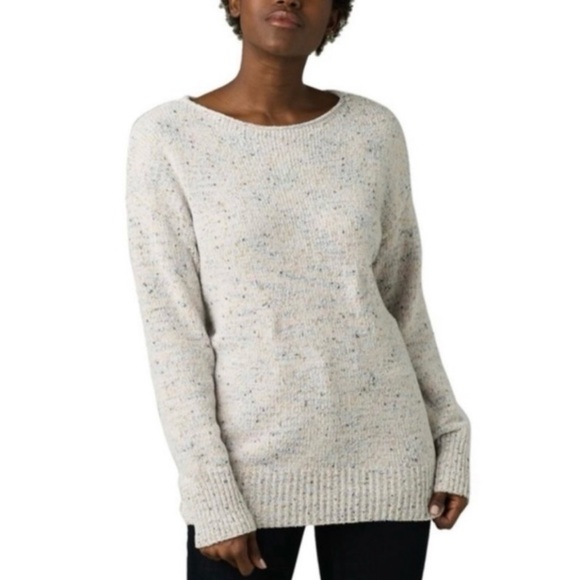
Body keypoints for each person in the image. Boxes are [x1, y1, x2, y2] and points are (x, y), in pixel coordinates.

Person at [125, 1, 471, 578]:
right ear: (234, 1)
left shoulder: (373, 131)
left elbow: (402, 300)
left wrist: (451, 432)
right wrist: (210, 492)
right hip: (246, 472)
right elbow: (173, 334)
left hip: (387, 457)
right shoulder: (168, 137)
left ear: (334, 14)